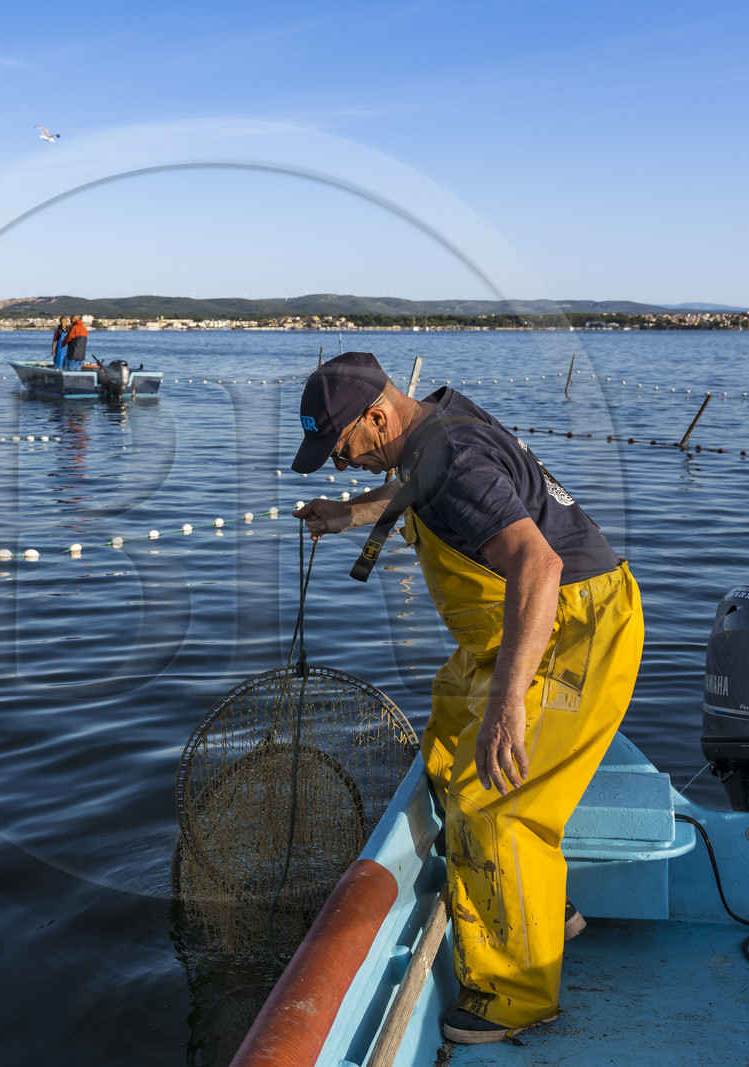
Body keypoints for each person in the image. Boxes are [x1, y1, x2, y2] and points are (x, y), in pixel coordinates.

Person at [291, 352, 643, 1045]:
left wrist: (510, 702)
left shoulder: (451, 461)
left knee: (495, 795)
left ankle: (516, 993)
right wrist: (346, 516)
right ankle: (541, 903)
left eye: (342, 447)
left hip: (575, 632)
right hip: (515, 629)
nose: (340, 463)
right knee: (449, 746)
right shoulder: (430, 430)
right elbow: (411, 492)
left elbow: (538, 565)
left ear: (379, 416)